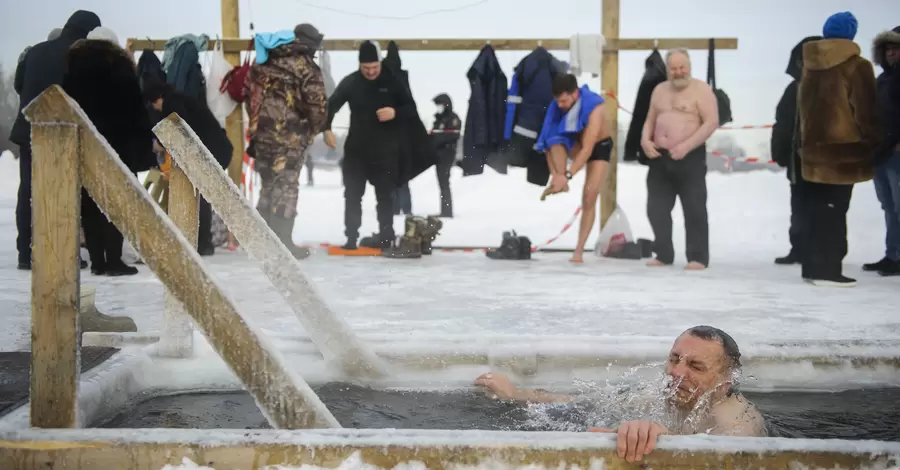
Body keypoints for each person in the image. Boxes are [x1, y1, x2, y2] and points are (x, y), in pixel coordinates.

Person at [475, 325, 766, 463]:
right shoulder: (661, 397)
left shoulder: (737, 417)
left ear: (726, 381)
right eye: (674, 359)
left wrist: (661, 439)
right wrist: (516, 393)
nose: (677, 372)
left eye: (695, 366)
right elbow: (586, 403)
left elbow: (731, 457)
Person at [61, 26, 157, 276]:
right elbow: (137, 111)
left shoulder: (73, 70)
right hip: (118, 145)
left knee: (90, 203)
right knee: (117, 202)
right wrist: (144, 150)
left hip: (85, 144)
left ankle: (97, 261)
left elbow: (66, 107)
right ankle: (114, 260)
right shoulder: (122, 69)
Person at [11, 10, 100, 270]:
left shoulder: (36, 51)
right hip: (62, 134)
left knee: (28, 189)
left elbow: (19, 85)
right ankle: (63, 251)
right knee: (64, 192)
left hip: (29, 128)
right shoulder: (81, 57)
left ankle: (25, 253)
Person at [798, 12, 881, 287]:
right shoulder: (857, 66)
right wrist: (872, 143)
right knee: (835, 212)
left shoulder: (809, 65)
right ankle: (828, 270)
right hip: (843, 153)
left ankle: (812, 266)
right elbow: (866, 111)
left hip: (813, 151)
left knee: (817, 210)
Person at [323, 41, 418, 250]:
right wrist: (326, 128)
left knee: (385, 197)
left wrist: (396, 113)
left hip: (385, 151)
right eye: (366, 68)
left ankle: (386, 238)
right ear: (359, 66)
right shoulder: (351, 82)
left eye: (375, 67)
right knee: (352, 196)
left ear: (380, 63)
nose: (371, 72)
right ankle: (350, 238)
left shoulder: (392, 81)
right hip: (356, 151)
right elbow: (331, 105)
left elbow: (411, 108)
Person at [244, 24, 327, 259]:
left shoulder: (263, 62)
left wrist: (259, 126)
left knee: (268, 185)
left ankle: (261, 242)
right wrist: (313, 128)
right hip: (290, 138)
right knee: (287, 186)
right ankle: (282, 242)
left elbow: (248, 95)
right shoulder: (306, 66)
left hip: (262, 137)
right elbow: (317, 105)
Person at [640, 49, 718, 270]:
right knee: (656, 208)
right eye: (673, 68)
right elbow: (650, 119)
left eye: (682, 67)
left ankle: (698, 256)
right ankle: (663, 253)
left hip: (690, 156)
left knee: (694, 208)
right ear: (667, 69)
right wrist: (645, 140)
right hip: (660, 157)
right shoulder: (659, 90)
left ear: (690, 66)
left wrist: (686, 146)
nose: (678, 72)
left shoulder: (701, 90)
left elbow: (711, 122)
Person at [143, 80, 234, 257]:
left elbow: (179, 127)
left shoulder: (172, 103)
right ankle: (202, 242)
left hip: (212, 152)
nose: (156, 109)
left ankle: (203, 243)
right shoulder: (180, 98)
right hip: (217, 149)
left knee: (200, 197)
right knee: (201, 196)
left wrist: (161, 144)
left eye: (154, 104)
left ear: (158, 98)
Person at [537, 74, 612, 263]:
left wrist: (568, 175)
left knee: (589, 196)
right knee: (555, 141)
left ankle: (578, 251)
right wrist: (556, 174)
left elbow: (588, 148)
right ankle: (560, 183)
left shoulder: (595, 107)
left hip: (597, 146)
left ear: (575, 94)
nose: (560, 105)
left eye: (564, 101)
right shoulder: (555, 107)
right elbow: (547, 141)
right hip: (572, 142)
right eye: (557, 101)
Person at [771, 36, 822, 266]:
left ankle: (822, 251)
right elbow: (782, 121)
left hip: (823, 161)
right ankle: (799, 248)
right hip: (797, 160)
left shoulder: (826, 87)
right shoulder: (793, 89)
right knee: (799, 205)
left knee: (821, 207)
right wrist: (780, 152)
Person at [865, 25, 900, 277]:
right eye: (887, 48)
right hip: (881, 152)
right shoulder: (883, 79)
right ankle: (892, 255)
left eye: (896, 49)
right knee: (888, 206)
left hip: (897, 152)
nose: (891, 54)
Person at [430, 93, 461, 218]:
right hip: (438, 154)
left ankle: (447, 211)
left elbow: (453, 134)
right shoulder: (439, 119)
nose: (438, 107)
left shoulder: (453, 118)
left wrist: (438, 139)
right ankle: (444, 210)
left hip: (447, 154)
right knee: (441, 183)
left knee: (444, 182)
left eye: (440, 105)